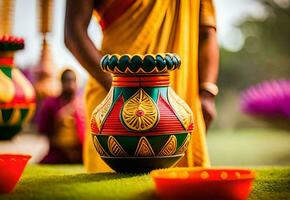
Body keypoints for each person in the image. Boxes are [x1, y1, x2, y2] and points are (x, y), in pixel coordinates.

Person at [65, 0, 219, 172]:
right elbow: (74, 32)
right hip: (111, 100)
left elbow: (207, 32)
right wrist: (123, 88)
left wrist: (207, 92)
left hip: (180, 99)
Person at [38, 69, 85, 163]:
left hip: (80, 153)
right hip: (58, 152)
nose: (70, 84)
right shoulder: (50, 104)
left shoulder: (83, 104)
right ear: (61, 82)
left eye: (73, 80)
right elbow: (45, 130)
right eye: (67, 80)